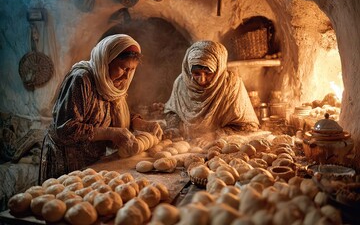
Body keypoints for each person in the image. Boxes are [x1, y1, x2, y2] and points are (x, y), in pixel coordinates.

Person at [39, 34, 162, 183]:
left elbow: (109, 113)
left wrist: (140, 123)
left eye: (132, 70)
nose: (126, 76)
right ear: (106, 61)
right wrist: (110, 133)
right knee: (65, 200)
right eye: (123, 68)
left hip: (93, 157)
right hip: (67, 157)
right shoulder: (81, 79)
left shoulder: (112, 83)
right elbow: (65, 129)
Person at [164, 40, 259, 140]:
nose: (202, 80)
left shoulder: (231, 85)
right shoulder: (181, 83)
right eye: (196, 73)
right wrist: (177, 130)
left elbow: (248, 126)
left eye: (208, 73)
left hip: (223, 146)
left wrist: (214, 136)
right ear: (188, 70)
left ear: (219, 69)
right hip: (187, 144)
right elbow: (172, 113)